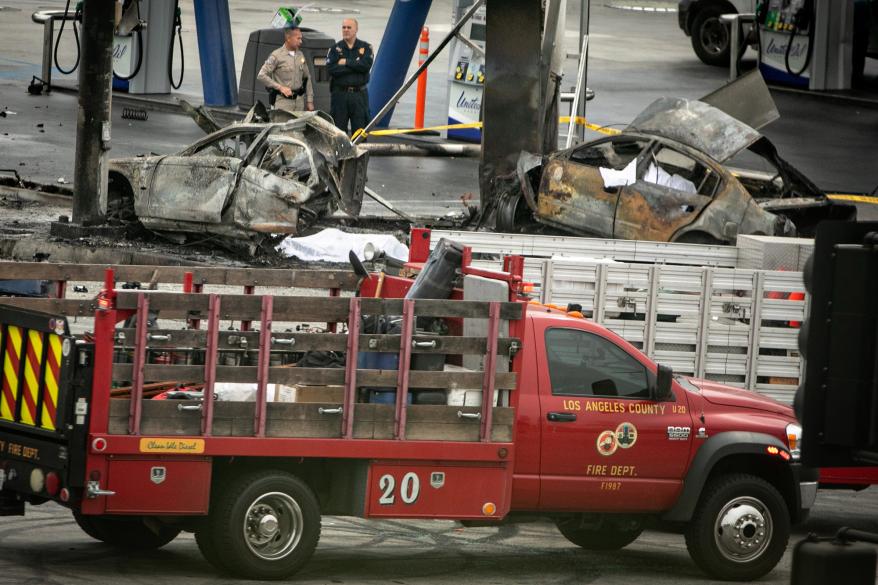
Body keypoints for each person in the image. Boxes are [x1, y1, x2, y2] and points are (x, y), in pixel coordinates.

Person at [326, 18, 374, 135]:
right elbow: (331, 69)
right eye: (344, 27)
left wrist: (346, 62)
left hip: (359, 96)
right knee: (337, 133)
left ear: (356, 29)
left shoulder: (366, 47)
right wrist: (356, 65)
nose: (346, 30)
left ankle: (361, 154)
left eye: (349, 27)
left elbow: (365, 66)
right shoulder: (334, 49)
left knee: (360, 132)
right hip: (340, 96)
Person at [257, 25, 314, 114]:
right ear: (288, 38)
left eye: (301, 38)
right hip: (283, 103)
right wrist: (280, 87)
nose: (301, 41)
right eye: (298, 38)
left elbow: (307, 77)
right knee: (282, 127)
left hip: (299, 103)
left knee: (298, 127)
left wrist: (310, 100)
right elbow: (261, 75)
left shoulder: (300, 55)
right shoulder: (276, 55)